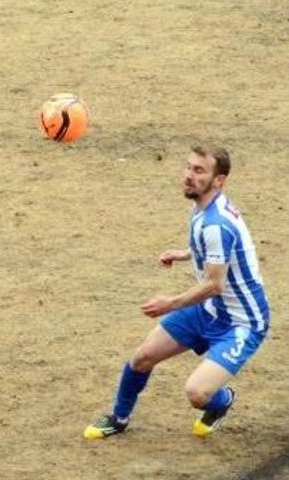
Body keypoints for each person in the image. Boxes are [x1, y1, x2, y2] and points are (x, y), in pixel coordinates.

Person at [84, 146, 269, 439]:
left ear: (219, 180)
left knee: (197, 393)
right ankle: (118, 418)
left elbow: (214, 285)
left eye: (199, 170)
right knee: (143, 357)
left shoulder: (216, 224)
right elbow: (218, 252)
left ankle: (222, 401)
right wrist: (185, 253)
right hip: (210, 309)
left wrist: (170, 303)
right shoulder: (204, 206)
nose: (188, 175)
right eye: (188, 167)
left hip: (241, 322)